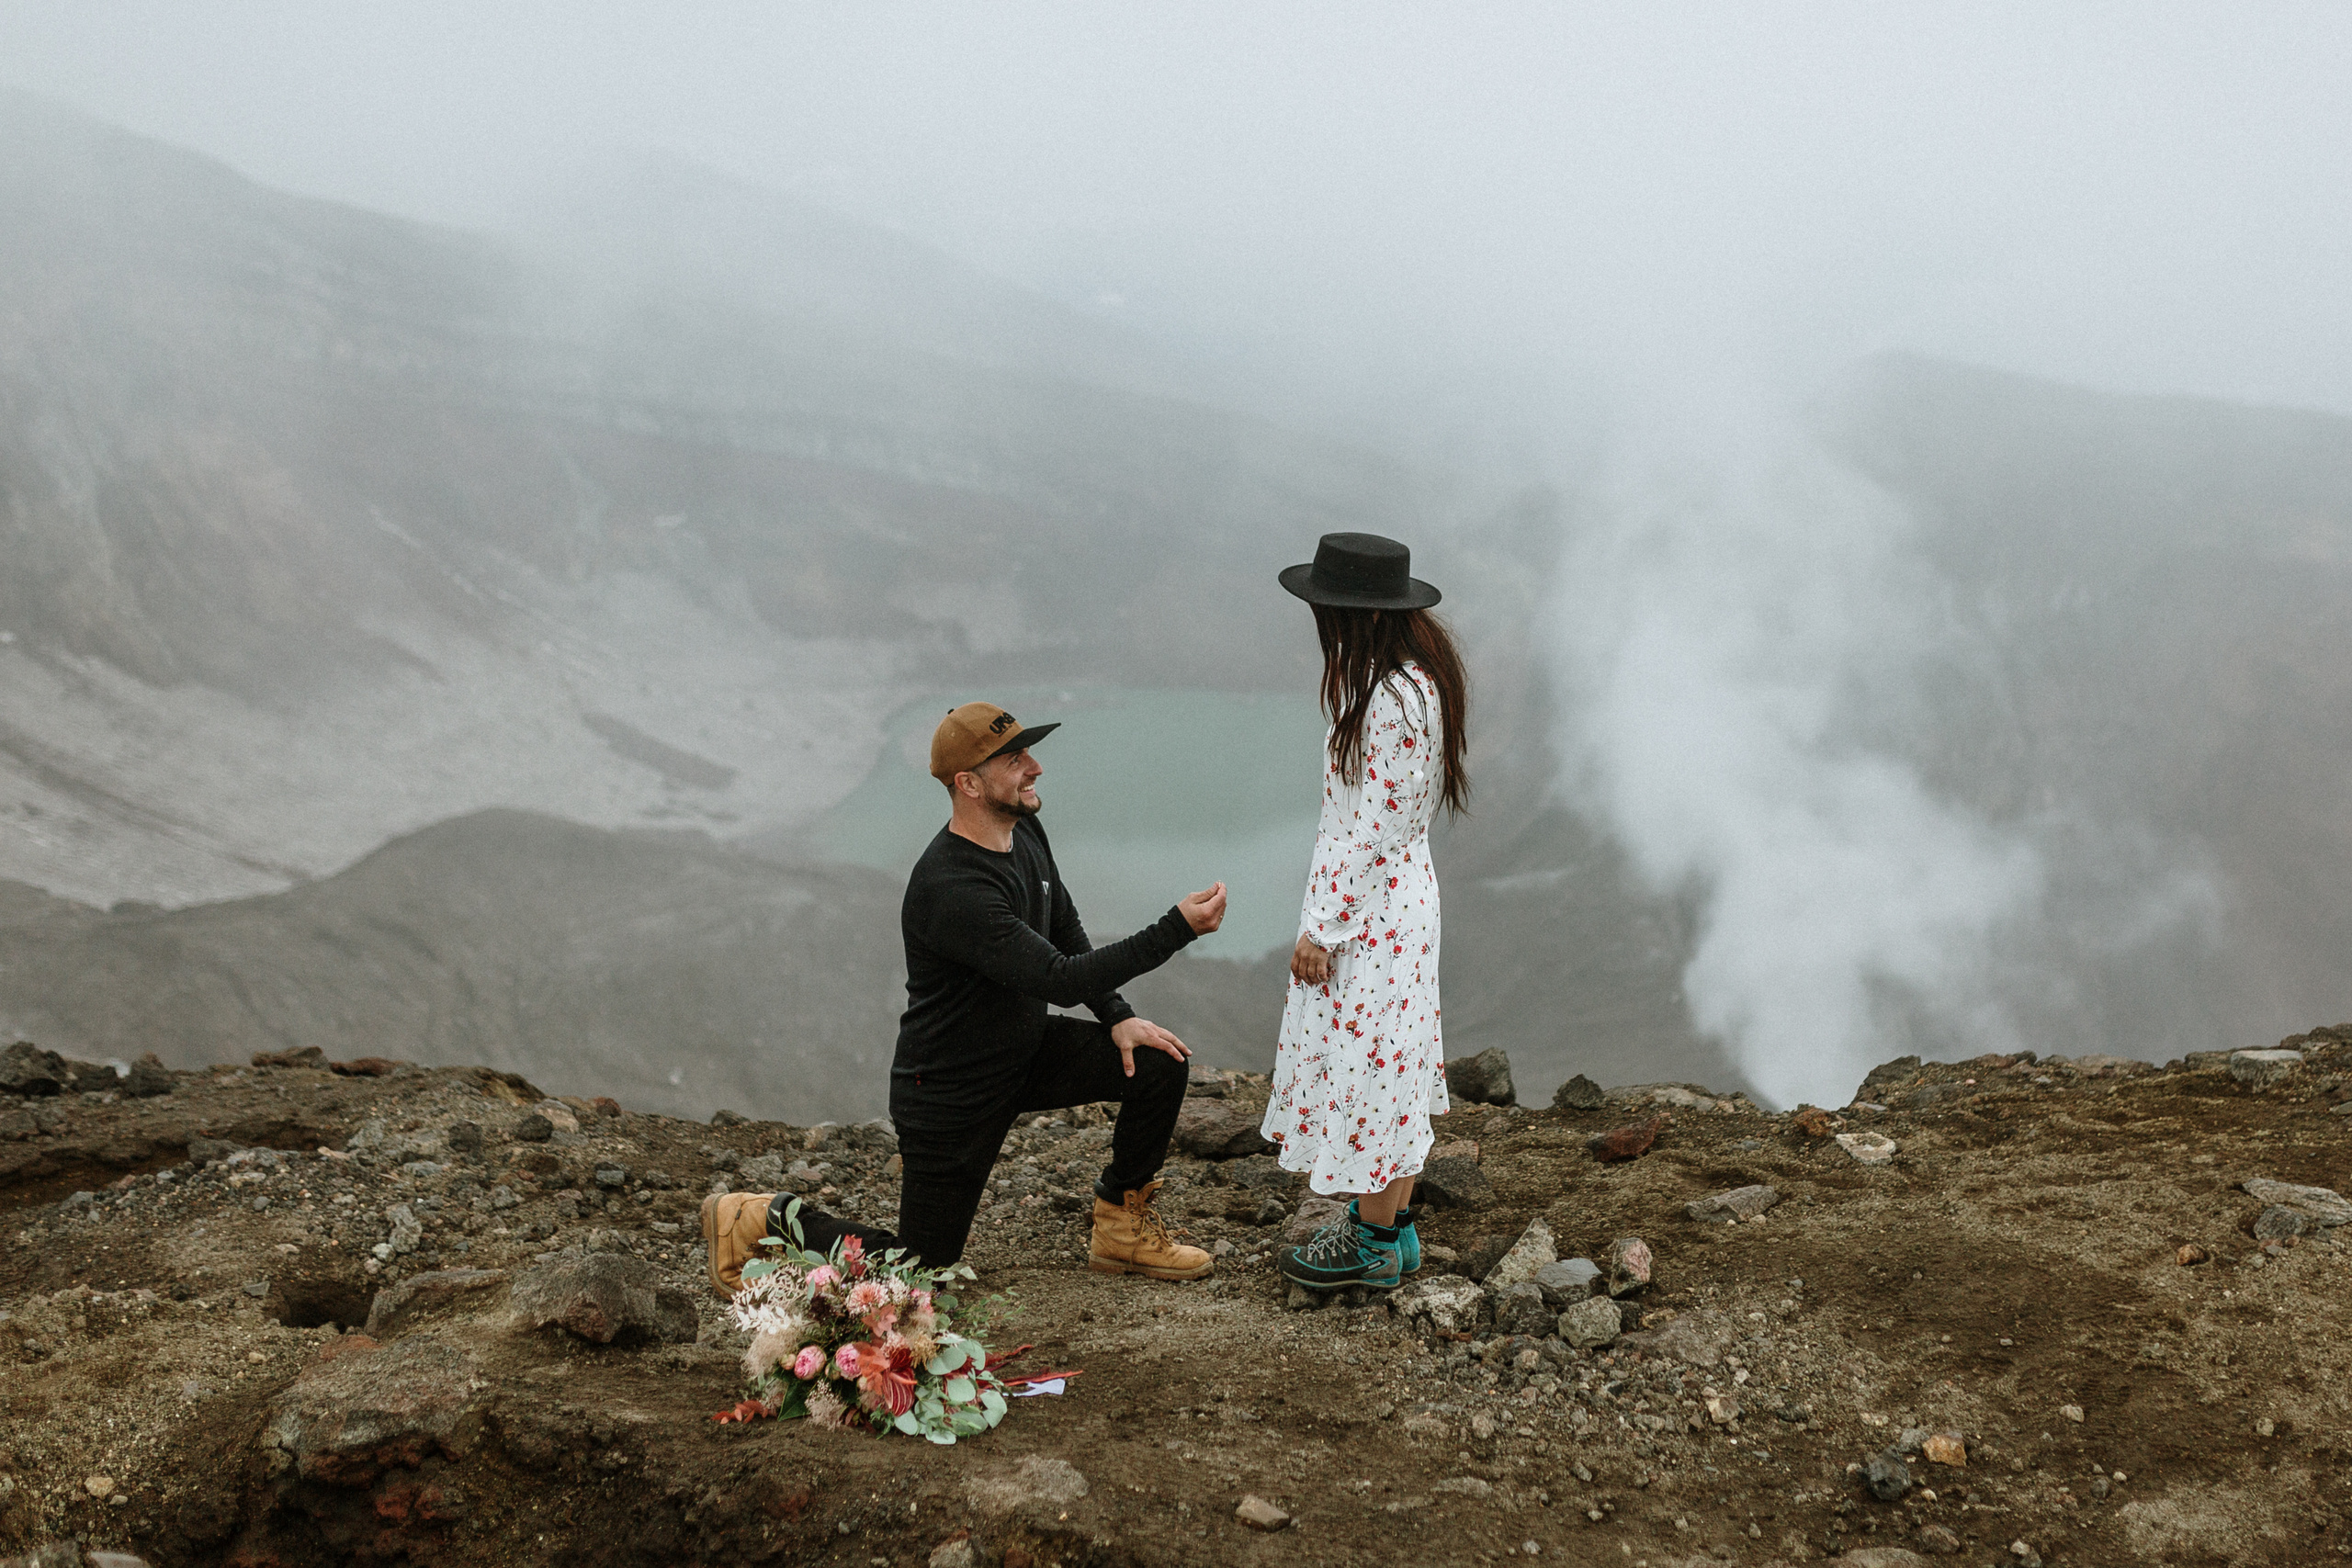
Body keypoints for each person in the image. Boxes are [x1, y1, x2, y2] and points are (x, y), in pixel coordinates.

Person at [702, 700, 1226, 1292]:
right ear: (969, 784)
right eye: (1014, 758)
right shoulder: (952, 887)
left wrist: (1118, 1016)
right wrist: (1175, 928)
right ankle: (762, 1217)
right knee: (920, 1271)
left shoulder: (1023, 828)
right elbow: (1057, 976)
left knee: (1155, 1062)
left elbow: (1063, 925)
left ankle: (1121, 1232)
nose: (1035, 767)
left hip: (1023, 1053)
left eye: (1029, 751)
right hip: (951, 1090)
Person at [1263, 532, 1470, 1292]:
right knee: (1394, 1061)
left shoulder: (1387, 699)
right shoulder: (1417, 682)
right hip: (1403, 898)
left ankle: (1373, 1243)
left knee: (1376, 1062)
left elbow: (1369, 830)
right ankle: (1392, 1229)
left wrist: (1323, 925)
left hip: (1374, 910)